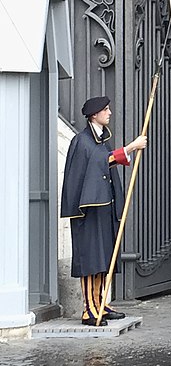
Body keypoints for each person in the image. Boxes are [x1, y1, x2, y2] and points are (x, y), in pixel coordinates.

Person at [60, 96, 147, 325]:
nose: (109, 113)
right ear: (94, 115)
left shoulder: (100, 141)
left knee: (102, 259)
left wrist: (126, 152)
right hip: (87, 213)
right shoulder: (82, 141)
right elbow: (99, 162)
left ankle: (100, 304)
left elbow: (104, 160)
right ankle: (89, 309)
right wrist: (130, 147)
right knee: (91, 259)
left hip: (103, 210)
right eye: (105, 110)